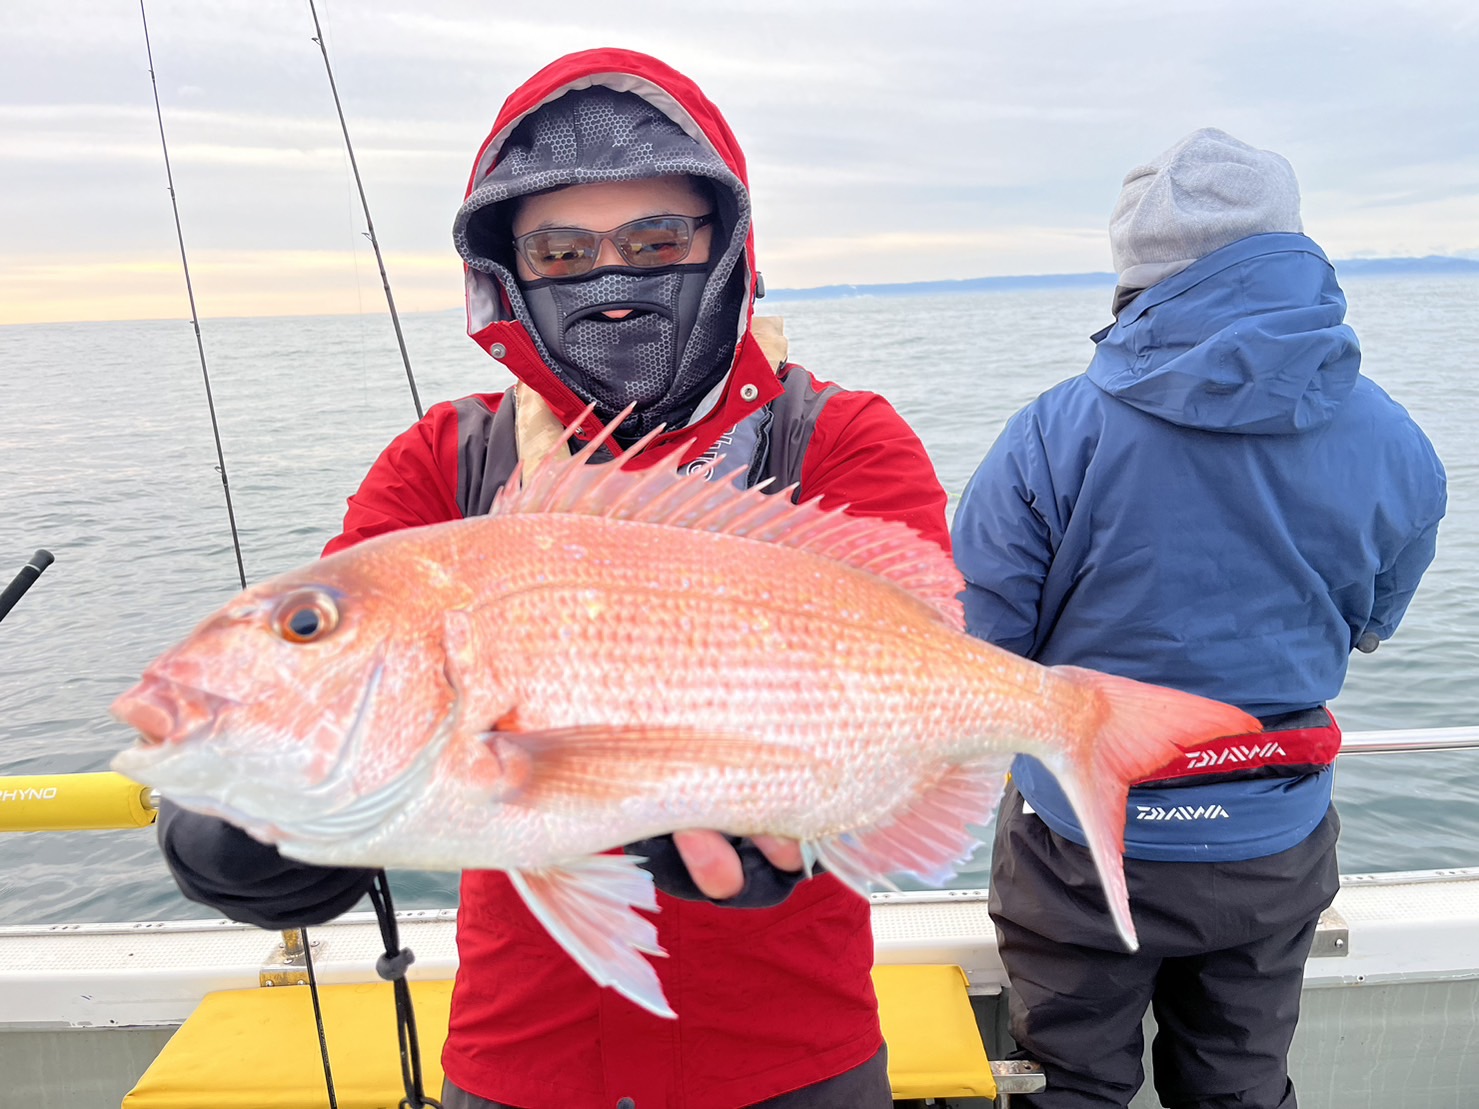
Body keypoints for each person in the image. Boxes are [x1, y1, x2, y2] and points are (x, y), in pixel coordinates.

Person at [156, 48, 951, 1109]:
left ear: (727, 245)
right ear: (511, 274)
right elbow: (337, 676)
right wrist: (243, 829)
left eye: (657, 241)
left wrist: (817, 822)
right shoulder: (443, 462)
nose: (611, 280)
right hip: (520, 1057)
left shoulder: (838, 439)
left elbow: (919, 681)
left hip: (794, 1056)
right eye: (562, 252)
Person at [951, 128, 1446, 1109]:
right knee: (1240, 1085)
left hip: (1084, 849)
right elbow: (1373, 620)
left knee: (1070, 1086)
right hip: (1274, 838)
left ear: (1135, 272)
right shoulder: (1396, 439)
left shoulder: (1054, 433)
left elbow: (980, 650)